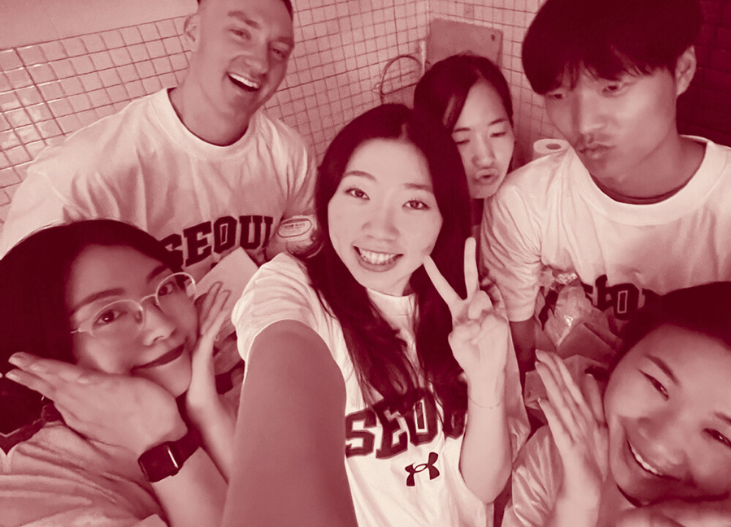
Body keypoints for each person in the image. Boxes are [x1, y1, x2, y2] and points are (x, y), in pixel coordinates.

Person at [222, 104, 529, 527]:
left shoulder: (472, 311)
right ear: (327, 197)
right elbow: (280, 357)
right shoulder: (294, 288)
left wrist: (484, 382)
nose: (380, 229)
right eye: (359, 193)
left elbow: (484, 487)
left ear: (445, 218)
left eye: (415, 203)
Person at [480, 0, 731, 373]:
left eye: (612, 87)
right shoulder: (523, 204)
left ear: (682, 71)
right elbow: (520, 356)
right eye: (558, 95)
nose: (583, 123)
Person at [0, 0, 315, 282]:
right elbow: (23, 321)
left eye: (278, 52)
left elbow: (299, 246)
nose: (261, 63)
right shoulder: (77, 179)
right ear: (194, 31)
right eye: (240, 33)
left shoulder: (289, 153)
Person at [1, 219, 235, 527]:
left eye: (166, 288)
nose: (163, 327)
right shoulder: (40, 493)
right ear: (44, 351)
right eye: (109, 315)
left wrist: (208, 415)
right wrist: (162, 443)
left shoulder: (233, 386)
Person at [504, 281, 731, 527]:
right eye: (657, 384)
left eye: (720, 436)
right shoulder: (560, 456)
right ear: (621, 357)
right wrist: (576, 506)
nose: (659, 443)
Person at [413, 53, 515, 232]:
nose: (485, 158)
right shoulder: (418, 221)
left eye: (498, 133)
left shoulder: (522, 203)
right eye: (461, 141)